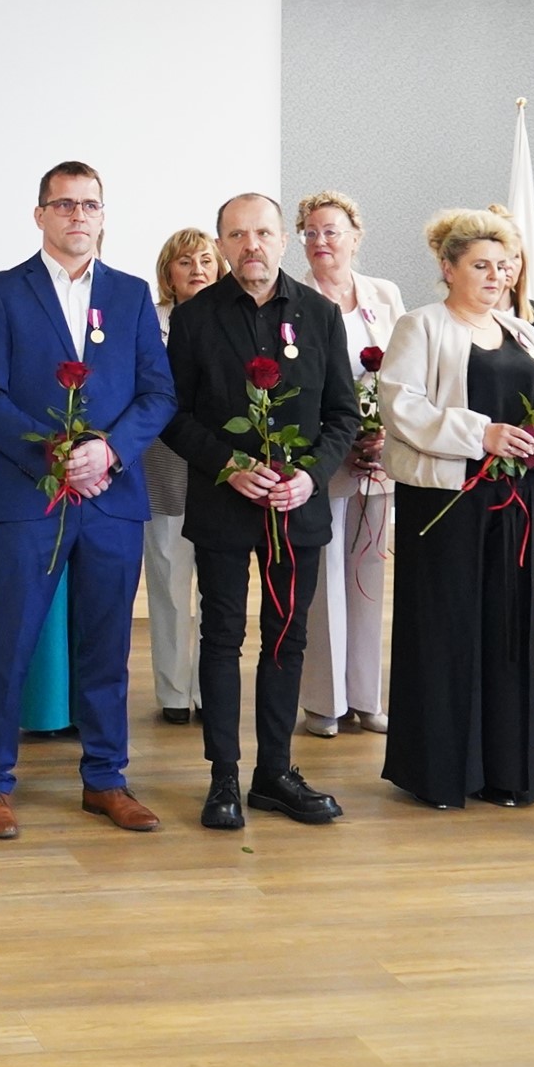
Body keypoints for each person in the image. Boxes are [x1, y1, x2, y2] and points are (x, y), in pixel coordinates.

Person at [0, 161, 177, 838]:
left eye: (89, 204)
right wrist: (53, 457)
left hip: (113, 497)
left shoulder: (131, 294)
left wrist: (108, 452)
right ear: (40, 215)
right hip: (32, 497)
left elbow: (158, 394)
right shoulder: (1, 291)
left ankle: (106, 778)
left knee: (107, 646)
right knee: (10, 641)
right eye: (64, 204)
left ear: (103, 215)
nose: (78, 215)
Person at [160, 195, 359, 830]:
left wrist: (309, 476)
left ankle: (274, 773)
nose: (252, 245)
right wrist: (229, 466)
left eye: (264, 233)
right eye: (238, 234)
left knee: (287, 638)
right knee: (221, 638)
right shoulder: (194, 318)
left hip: (296, 509)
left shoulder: (320, 314)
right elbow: (172, 414)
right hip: (223, 502)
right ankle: (223, 776)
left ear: (283, 240)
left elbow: (342, 415)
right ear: (222, 244)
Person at [376, 208, 534, 810]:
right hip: (448, 501)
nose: (496, 277)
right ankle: (441, 774)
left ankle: (507, 771)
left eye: (503, 267)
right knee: (447, 631)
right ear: (447, 267)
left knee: (510, 630)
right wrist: (481, 434)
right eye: (481, 266)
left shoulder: (522, 331)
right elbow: (400, 405)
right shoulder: (421, 325)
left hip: (516, 503)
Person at [293, 190, 404, 738]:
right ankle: (324, 701)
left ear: (356, 237)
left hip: (378, 458)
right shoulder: (294, 300)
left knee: (368, 578)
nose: (320, 241)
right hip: (323, 457)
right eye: (310, 232)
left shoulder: (385, 294)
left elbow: (405, 374)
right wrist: (344, 437)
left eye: (331, 231)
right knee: (323, 582)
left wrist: (383, 432)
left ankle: (366, 695)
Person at [142, 227, 219, 726]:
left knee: (217, 589)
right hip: (164, 468)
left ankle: (211, 688)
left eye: (207, 260)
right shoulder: (151, 322)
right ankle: (173, 692)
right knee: (169, 585)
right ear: (168, 272)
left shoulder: (231, 319)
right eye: (186, 261)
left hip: (218, 473)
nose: (197, 270)